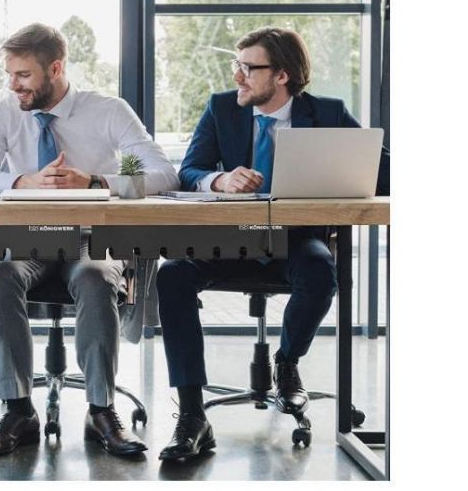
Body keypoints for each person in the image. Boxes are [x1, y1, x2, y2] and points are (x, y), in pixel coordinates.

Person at [155, 27, 390, 461]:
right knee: (171, 276)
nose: (238, 76)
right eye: (237, 66)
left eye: (248, 68)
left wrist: (350, 171)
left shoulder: (328, 113)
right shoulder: (222, 107)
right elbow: (188, 170)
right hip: (228, 240)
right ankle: (192, 415)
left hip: (297, 240)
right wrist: (220, 179)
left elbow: (382, 170)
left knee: (321, 272)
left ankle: (286, 362)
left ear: (281, 75)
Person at [0, 23, 179, 456]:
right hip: (29, 237)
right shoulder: (5, 112)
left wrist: (97, 181)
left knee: (95, 277)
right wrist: (24, 180)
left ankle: (101, 412)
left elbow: (163, 173)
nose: (13, 85)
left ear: (55, 68)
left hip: (91, 239)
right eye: (9, 75)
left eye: (23, 75)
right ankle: (18, 409)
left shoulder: (108, 110)